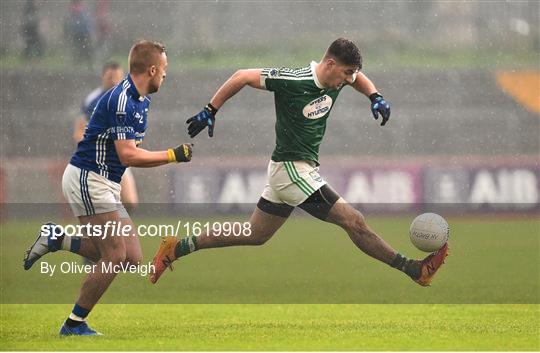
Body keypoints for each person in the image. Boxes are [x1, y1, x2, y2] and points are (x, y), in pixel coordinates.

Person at [150, 38, 448, 287]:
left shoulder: (340, 77)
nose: (349, 80)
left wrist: (374, 95)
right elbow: (242, 75)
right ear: (330, 64)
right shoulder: (292, 81)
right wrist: (210, 109)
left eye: (352, 75)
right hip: (292, 169)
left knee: (255, 234)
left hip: (290, 171)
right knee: (354, 220)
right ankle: (413, 270)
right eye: (346, 73)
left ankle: (176, 247)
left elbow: (359, 79)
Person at [23, 40, 194, 336]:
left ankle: (57, 239)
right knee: (114, 254)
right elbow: (128, 155)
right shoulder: (121, 100)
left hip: (105, 182)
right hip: (88, 178)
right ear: (152, 69)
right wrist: (172, 155)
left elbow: (128, 153)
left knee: (131, 257)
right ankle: (73, 325)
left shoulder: (141, 100)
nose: (165, 75)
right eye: (164, 69)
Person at [75, 61, 139, 213]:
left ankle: (113, 229)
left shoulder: (127, 99)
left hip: (118, 159)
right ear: (103, 76)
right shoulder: (93, 100)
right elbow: (78, 132)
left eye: (117, 77)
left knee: (130, 201)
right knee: (100, 210)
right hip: (97, 161)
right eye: (110, 76)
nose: (114, 80)